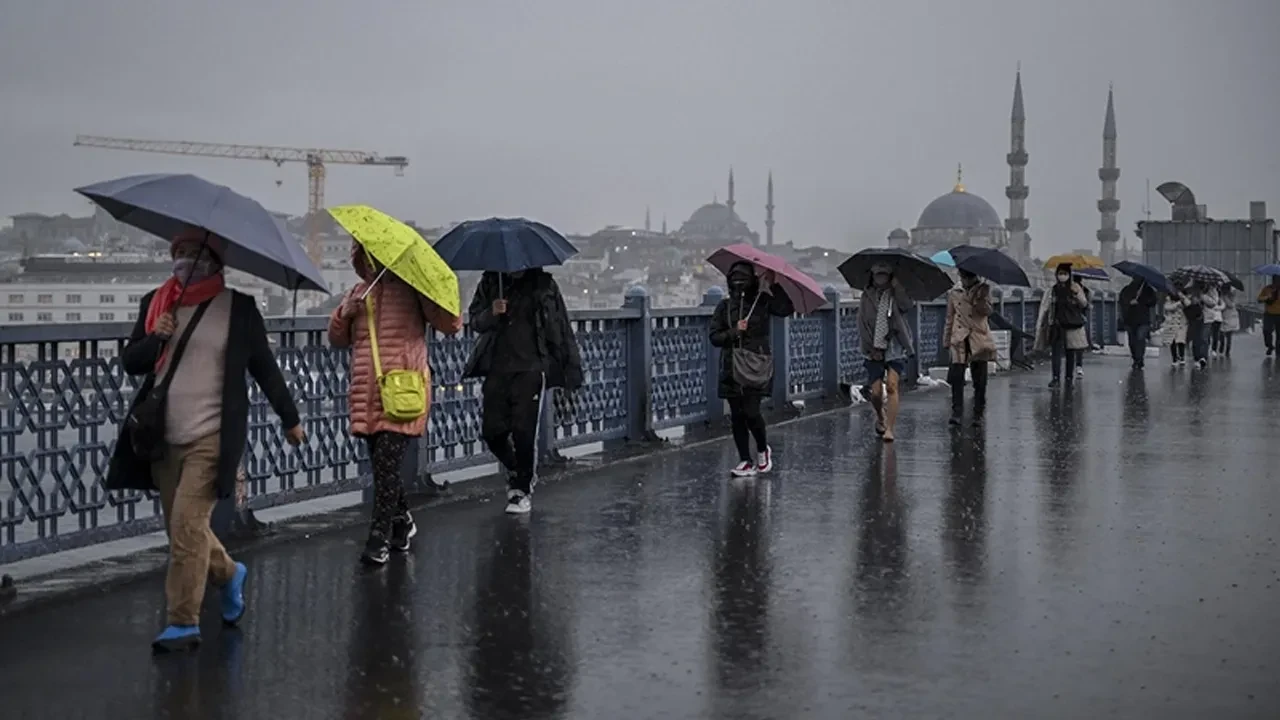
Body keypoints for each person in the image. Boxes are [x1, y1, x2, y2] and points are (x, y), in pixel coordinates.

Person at [106, 230, 304, 653]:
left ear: (215, 261)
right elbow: (131, 363)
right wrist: (155, 335)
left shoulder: (239, 309)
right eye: (179, 253)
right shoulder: (158, 304)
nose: (185, 260)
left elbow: (264, 368)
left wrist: (290, 419)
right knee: (182, 531)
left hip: (212, 436)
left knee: (186, 526)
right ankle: (230, 573)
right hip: (162, 437)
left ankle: (182, 621)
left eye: (194, 254)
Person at [328, 240, 463, 566]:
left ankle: (378, 538)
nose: (374, 262)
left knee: (387, 465)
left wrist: (433, 299)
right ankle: (402, 523)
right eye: (368, 257)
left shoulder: (413, 291)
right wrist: (344, 316)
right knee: (382, 468)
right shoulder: (357, 294)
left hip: (402, 389)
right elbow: (337, 339)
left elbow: (450, 324)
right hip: (366, 390)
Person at [465, 267, 583, 514]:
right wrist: (492, 313)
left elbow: (560, 327)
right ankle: (517, 470)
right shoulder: (491, 281)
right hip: (497, 367)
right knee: (492, 431)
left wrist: (567, 368)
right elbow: (475, 319)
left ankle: (521, 490)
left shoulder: (544, 285)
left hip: (531, 367)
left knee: (523, 431)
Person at [708, 262, 795, 476]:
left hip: (755, 365)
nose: (739, 283)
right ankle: (745, 460)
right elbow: (714, 337)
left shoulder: (763, 302)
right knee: (737, 415)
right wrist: (733, 333)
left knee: (752, 412)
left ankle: (762, 449)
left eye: (743, 279)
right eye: (735, 279)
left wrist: (774, 285)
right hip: (731, 366)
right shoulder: (724, 307)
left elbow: (785, 309)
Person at [857, 263, 914, 442]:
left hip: (895, 344)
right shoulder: (867, 296)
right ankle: (880, 417)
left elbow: (907, 306)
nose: (880, 279)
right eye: (877, 275)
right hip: (873, 345)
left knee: (891, 385)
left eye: (884, 275)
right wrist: (871, 347)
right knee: (875, 393)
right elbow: (862, 322)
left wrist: (898, 288)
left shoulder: (897, 293)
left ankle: (890, 428)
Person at [943, 269, 995, 426]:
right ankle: (957, 412)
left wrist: (980, 299)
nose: (966, 280)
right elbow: (949, 317)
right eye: (963, 276)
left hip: (977, 336)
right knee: (957, 376)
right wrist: (946, 339)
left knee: (979, 378)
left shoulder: (984, 290)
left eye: (969, 277)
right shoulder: (954, 292)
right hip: (959, 337)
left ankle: (978, 413)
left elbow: (988, 312)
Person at [1034, 263, 1089, 388]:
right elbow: (1045, 308)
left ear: (1069, 275)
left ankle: (1069, 379)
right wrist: (1042, 323)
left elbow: (1084, 304)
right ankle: (1056, 378)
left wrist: (1077, 294)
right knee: (1056, 352)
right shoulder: (1052, 290)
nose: (1062, 276)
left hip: (1071, 324)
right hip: (1056, 325)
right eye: (1060, 273)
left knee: (1070, 352)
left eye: (1065, 273)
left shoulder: (1075, 288)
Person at [1118, 278, 1158, 369]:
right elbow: (1122, 301)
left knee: (1140, 338)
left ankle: (1139, 360)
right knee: (1132, 341)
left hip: (1143, 320)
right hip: (1129, 319)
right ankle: (1136, 358)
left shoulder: (1148, 290)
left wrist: (1141, 301)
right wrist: (1129, 302)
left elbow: (1153, 302)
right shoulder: (1127, 289)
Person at [1162, 290, 1190, 366]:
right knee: (1173, 341)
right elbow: (1168, 308)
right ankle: (1174, 358)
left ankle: (1182, 357)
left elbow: (1188, 304)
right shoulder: (1169, 301)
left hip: (1182, 323)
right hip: (1172, 324)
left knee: (1181, 341)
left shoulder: (1184, 299)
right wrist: (1178, 303)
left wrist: (1183, 297)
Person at [1257, 276, 1280, 356]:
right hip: (1269, 314)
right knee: (1266, 331)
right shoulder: (1267, 289)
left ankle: (1278, 353)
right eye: (1275, 280)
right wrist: (1267, 297)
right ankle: (1269, 346)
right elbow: (1259, 299)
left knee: (1279, 335)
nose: (1277, 282)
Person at [1215, 286, 1239, 358]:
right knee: (1222, 333)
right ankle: (1222, 347)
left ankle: (1227, 350)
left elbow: (1231, 305)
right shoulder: (1220, 295)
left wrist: (1224, 297)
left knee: (1228, 335)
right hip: (1223, 316)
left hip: (1230, 317)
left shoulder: (1231, 296)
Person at [1204, 282, 1225, 357]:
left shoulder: (1219, 294)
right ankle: (1208, 347)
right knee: (1208, 334)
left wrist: (1216, 308)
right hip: (1209, 316)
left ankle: (1214, 349)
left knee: (1216, 334)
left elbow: (1223, 305)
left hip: (1217, 317)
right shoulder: (1206, 293)